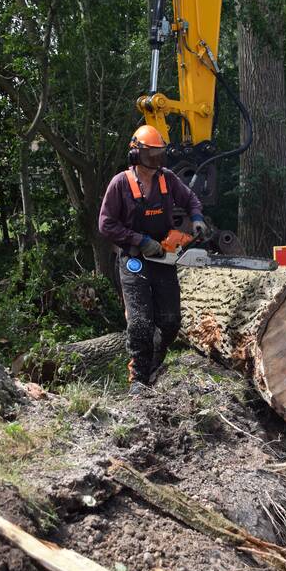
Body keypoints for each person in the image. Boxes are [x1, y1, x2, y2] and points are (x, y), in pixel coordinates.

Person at [98, 124, 207, 390]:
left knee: (170, 321)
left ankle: (155, 359)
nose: (155, 162)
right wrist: (140, 241)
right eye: (151, 156)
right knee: (140, 323)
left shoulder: (167, 179)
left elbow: (191, 199)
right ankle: (138, 376)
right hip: (134, 259)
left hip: (164, 258)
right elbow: (106, 224)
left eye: (160, 156)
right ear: (136, 155)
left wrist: (197, 219)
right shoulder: (120, 184)